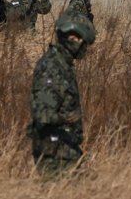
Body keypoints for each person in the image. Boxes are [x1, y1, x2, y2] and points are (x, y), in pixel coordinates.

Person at [27, 13, 96, 179]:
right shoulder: (52, 67)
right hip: (53, 156)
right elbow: (42, 113)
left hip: (66, 150)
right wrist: (67, 118)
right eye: (82, 42)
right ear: (72, 37)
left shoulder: (63, 65)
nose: (84, 48)